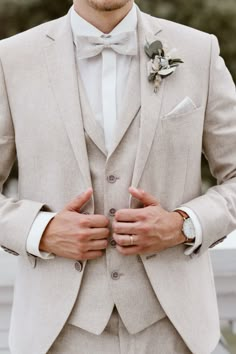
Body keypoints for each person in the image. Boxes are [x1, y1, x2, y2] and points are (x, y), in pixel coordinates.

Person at [0, 0, 236, 353]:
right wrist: (41, 231)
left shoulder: (198, 51)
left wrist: (182, 224)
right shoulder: (11, 59)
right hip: (55, 334)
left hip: (176, 330)